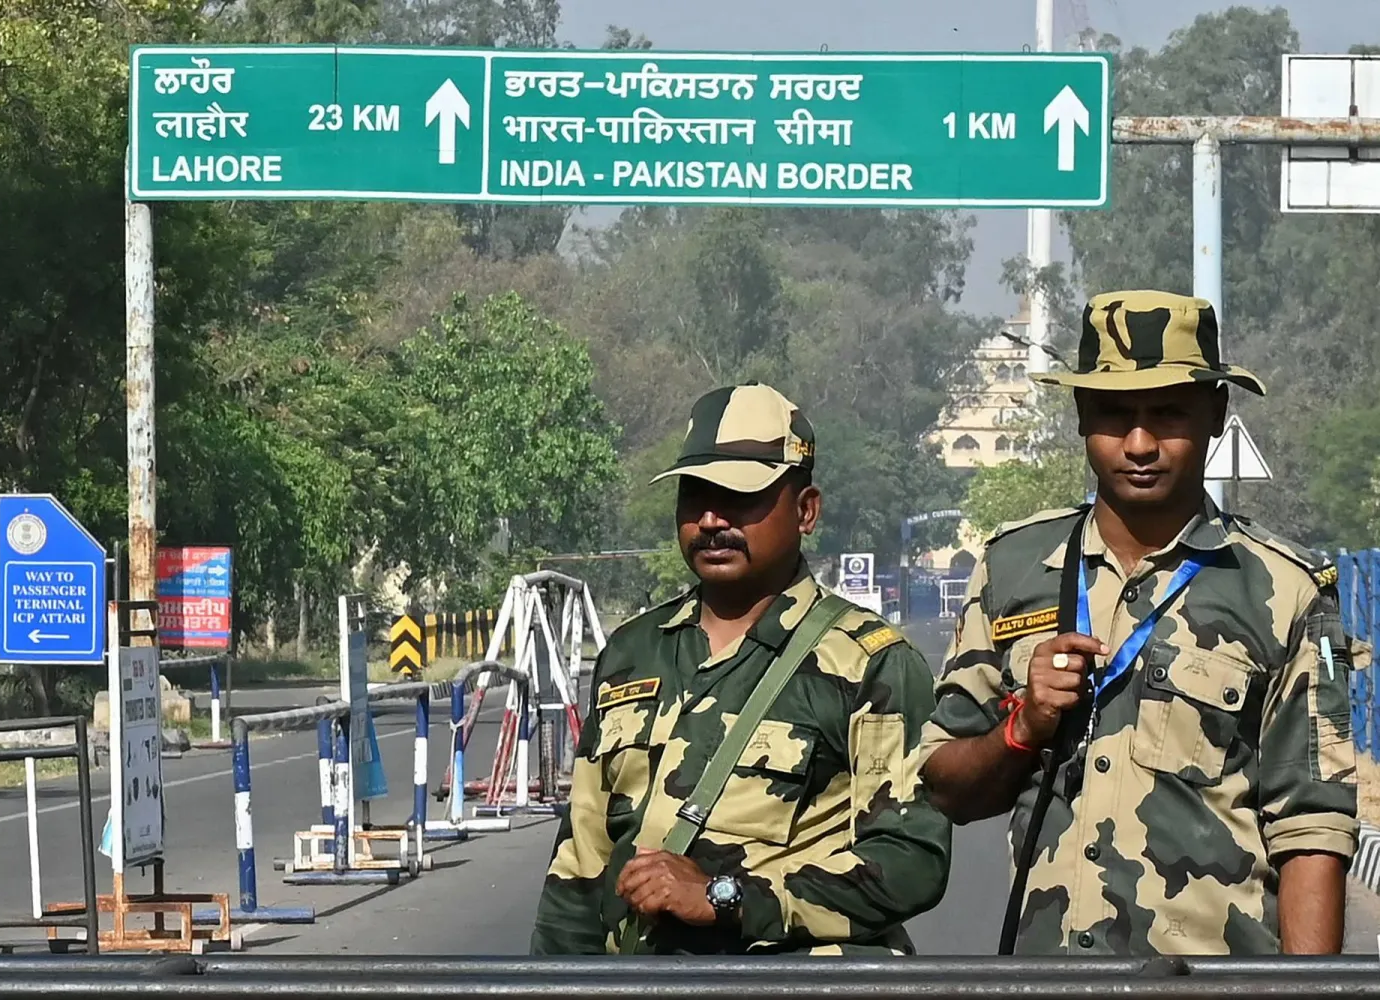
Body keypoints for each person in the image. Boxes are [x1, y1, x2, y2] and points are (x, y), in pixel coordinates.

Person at [919, 290, 1359, 956]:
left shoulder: (1286, 590)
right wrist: (1021, 728)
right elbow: (944, 786)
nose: (1141, 443)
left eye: (1169, 414)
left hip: (1212, 986)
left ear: (1216, 414)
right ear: (1080, 416)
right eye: (1116, 414)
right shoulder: (1013, 568)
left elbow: (1313, 829)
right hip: (1047, 981)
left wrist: (1307, 993)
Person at [529, 382, 951, 956]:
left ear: (805, 510)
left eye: (738, 497)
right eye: (695, 494)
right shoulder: (633, 652)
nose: (709, 518)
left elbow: (909, 860)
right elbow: (582, 858)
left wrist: (728, 897)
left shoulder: (870, 663)